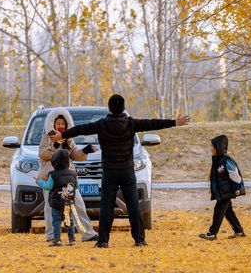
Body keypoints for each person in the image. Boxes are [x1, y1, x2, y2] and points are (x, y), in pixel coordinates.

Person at [51, 93, 190, 247]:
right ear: (124, 108)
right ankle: (139, 239)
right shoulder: (131, 123)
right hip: (127, 171)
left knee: (106, 206)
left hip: (109, 171)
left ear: (109, 109)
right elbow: (152, 123)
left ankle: (103, 241)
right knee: (133, 205)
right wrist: (174, 122)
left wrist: (62, 134)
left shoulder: (101, 124)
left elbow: (81, 129)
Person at [38, 108, 98, 242]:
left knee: (78, 205)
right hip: (51, 178)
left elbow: (75, 155)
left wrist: (86, 150)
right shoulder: (47, 138)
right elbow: (43, 155)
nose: (61, 126)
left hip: (67, 179)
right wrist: (55, 145)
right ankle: (52, 235)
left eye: (63, 124)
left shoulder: (68, 139)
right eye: (58, 123)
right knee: (51, 207)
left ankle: (88, 233)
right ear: (53, 124)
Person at [200, 135, 246, 241]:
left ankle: (212, 233)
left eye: (212, 146)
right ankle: (239, 231)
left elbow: (235, 174)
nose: (211, 149)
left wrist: (237, 188)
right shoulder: (217, 160)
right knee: (228, 211)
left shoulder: (226, 160)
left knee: (218, 210)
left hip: (227, 191)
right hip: (222, 192)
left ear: (218, 147)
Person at [37, 148, 78, 247]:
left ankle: (57, 240)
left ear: (54, 162)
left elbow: (48, 186)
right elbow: (76, 186)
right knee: (69, 221)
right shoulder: (73, 173)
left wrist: (39, 182)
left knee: (56, 221)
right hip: (69, 202)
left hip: (56, 203)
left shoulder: (53, 174)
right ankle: (72, 240)